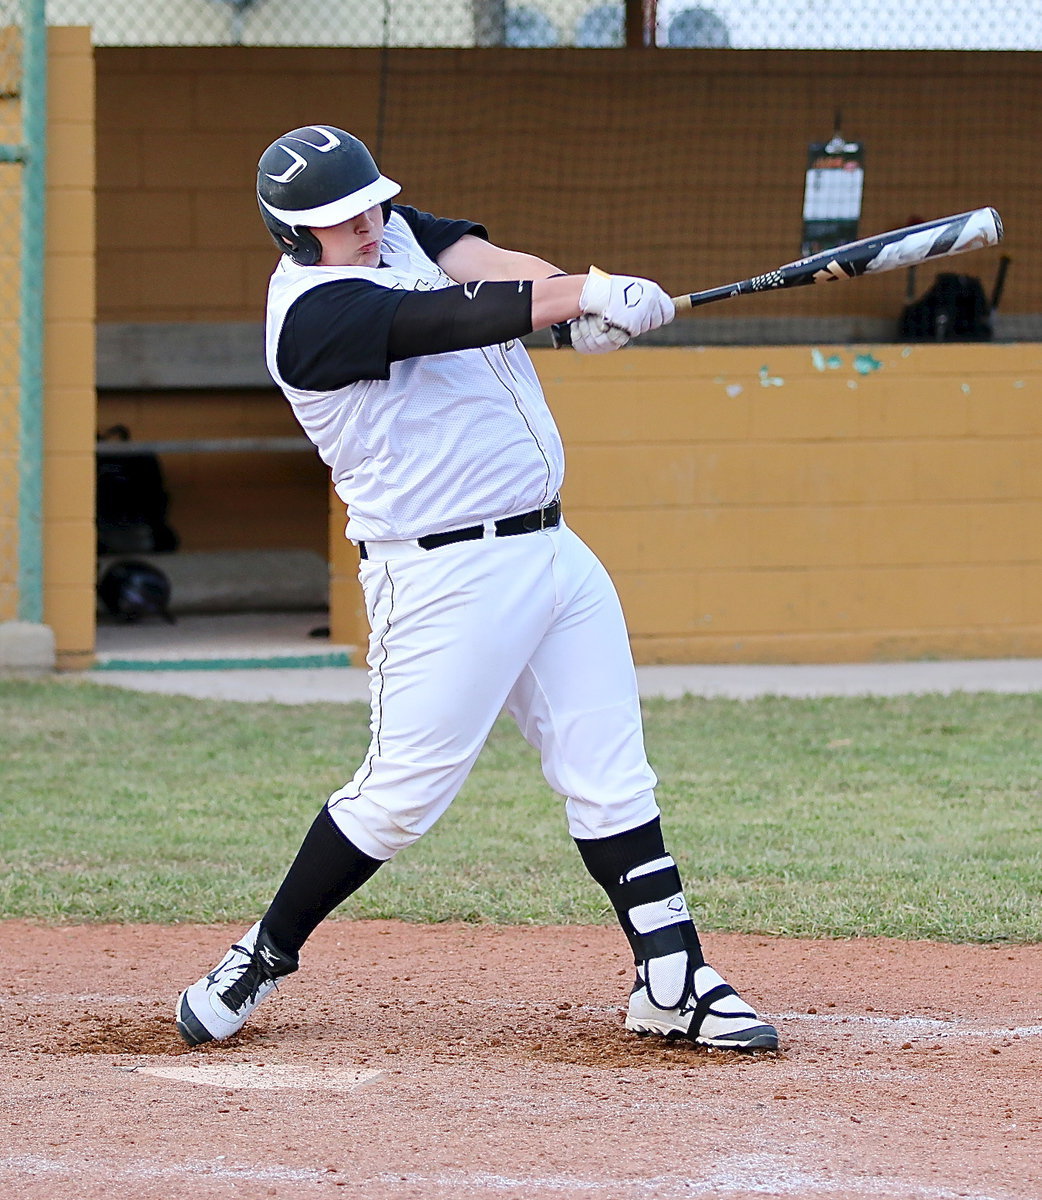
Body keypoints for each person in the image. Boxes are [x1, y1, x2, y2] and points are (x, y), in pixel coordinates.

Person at [175, 124, 778, 1053]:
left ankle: (675, 977)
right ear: (295, 237)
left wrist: (579, 309)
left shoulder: (398, 229)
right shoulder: (311, 317)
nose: (368, 225)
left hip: (551, 549)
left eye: (370, 204)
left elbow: (487, 267)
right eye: (341, 221)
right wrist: (575, 297)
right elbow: (451, 319)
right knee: (398, 799)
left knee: (611, 771)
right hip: (442, 576)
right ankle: (261, 954)